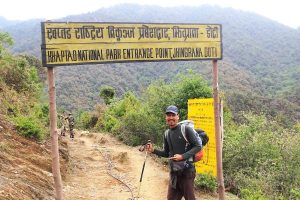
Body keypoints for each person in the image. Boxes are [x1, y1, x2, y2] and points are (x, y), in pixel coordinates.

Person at [146, 105, 202, 200]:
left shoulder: (185, 130)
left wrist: (182, 156)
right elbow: (166, 153)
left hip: (187, 172)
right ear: (166, 117)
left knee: (190, 198)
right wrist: (153, 151)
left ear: (178, 116)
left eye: (173, 115)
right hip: (174, 173)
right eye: (168, 115)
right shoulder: (167, 133)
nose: (171, 117)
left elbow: (198, 146)